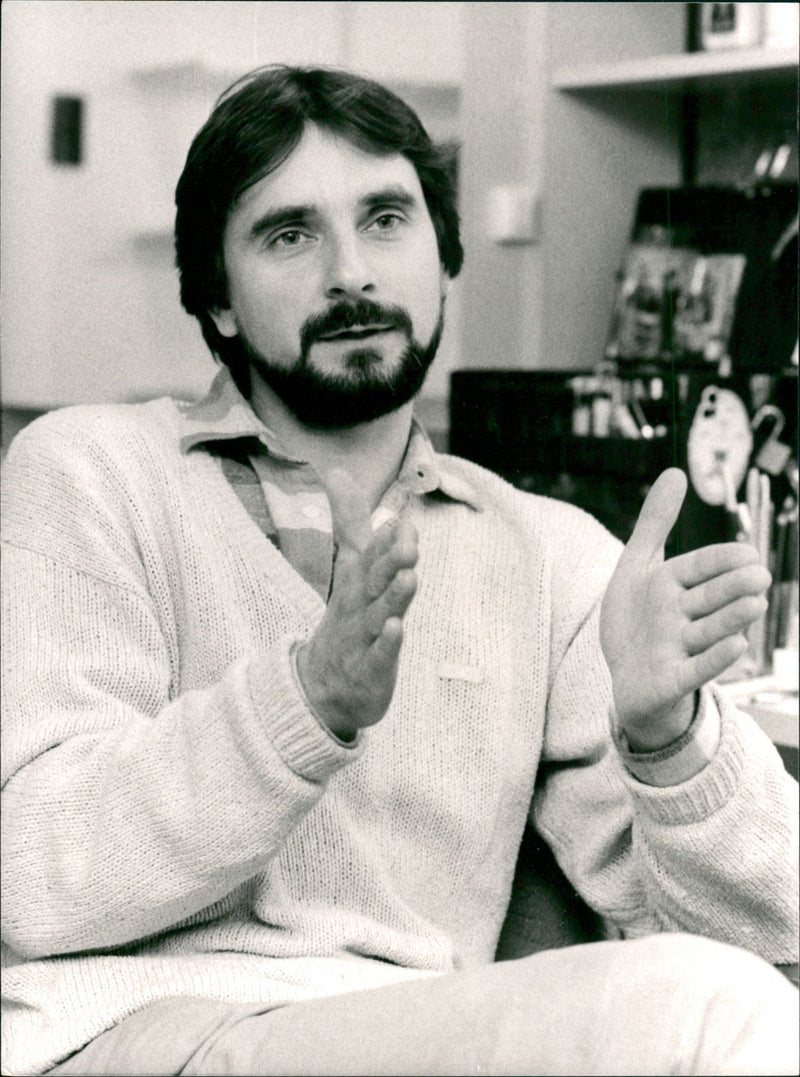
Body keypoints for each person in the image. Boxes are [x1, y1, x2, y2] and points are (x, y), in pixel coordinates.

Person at [1, 65, 797, 1077]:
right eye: (289, 235)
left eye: (385, 220)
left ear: (443, 258)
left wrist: (670, 743)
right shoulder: (89, 471)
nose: (352, 275)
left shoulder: (548, 554)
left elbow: (766, 942)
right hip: (142, 1033)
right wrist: (307, 703)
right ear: (219, 299)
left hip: (415, 1028)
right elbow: (35, 877)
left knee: (720, 1002)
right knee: (701, 1010)